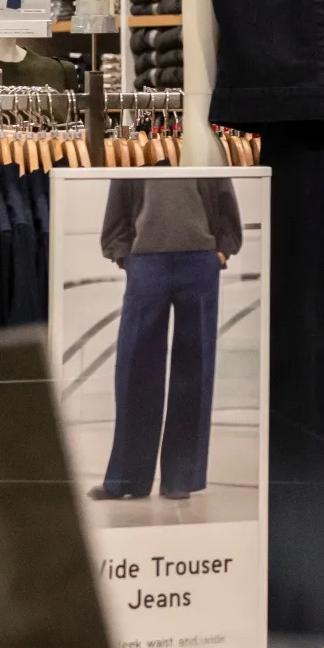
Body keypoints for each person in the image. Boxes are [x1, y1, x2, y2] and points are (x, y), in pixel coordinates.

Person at [90, 177, 243, 502]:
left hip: (199, 261)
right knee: (135, 369)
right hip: (146, 262)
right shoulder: (136, 152)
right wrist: (124, 256)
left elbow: (225, 200)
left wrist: (222, 249)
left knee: (195, 367)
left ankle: (180, 478)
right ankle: (126, 480)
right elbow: (117, 210)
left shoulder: (201, 145)